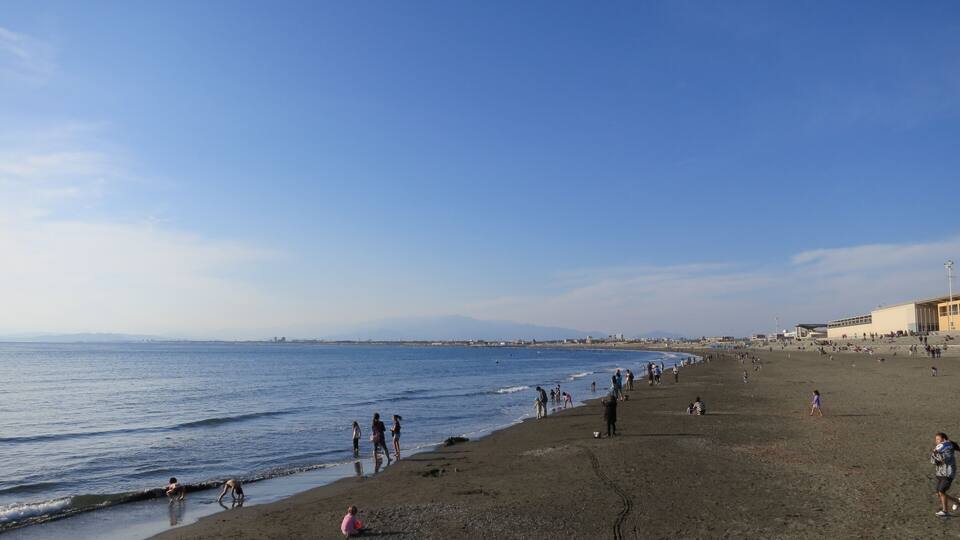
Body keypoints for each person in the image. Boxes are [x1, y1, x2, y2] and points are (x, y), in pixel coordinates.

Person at [931, 432, 960, 516]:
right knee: (938, 493)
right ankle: (957, 501)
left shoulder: (948, 449)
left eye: (938, 439)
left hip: (947, 474)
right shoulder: (939, 449)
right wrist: (935, 455)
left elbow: (945, 459)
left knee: (941, 491)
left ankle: (945, 511)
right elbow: (933, 461)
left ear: (943, 440)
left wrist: (937, 456)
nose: (936, 441)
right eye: (936, 439)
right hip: (940, 474)